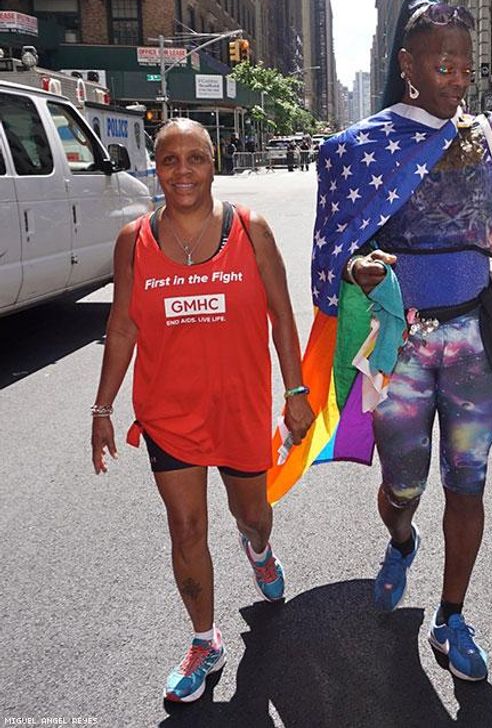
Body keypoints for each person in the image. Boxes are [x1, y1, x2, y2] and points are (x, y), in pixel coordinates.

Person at [322, 0, 492, 682]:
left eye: (467, 68)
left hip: (473, 345)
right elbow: (333, 250)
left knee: (468, 483)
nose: (458, 80)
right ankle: (401, 539)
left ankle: (452, 616)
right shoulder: (362, 149)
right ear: (407, 65)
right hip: (398, 348)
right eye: (444, 66)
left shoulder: (489, 138)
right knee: (402, 486)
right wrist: (356, 265)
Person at [90, 118, 315, 703]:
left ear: (214, 163)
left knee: (253, 515)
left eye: (195, 158)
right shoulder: (133, 241)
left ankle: (258, 550)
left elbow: (281, 315)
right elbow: (122, 327)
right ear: (156, 169)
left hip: (239, 411)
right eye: (170, 160)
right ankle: (204, 639)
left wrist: (295, 393)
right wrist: (102, 407)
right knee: (186, 527)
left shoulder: (251, 229)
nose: (183, 171)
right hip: (168, 416)